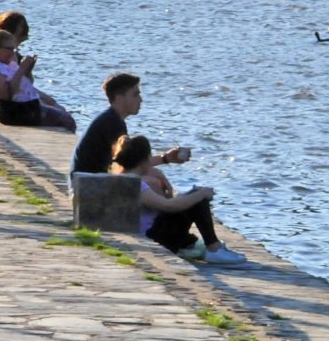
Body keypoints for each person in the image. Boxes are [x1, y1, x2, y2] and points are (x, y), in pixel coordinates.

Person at [112, 134, 247, 264]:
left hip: (149, 232)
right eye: (149, 155)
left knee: (193, 195)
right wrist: (201, 194)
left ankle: (213, 247)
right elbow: (168, 206)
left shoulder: (122, 178)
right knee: (197, 198)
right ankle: (214, 249)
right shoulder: (135, 185)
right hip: (152, 238)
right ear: (143, 159)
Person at [71, 72, 190, 177]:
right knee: (152, 180)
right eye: (135, 94)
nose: (140, 99)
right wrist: (164, 160)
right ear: (119, 98)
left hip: (85, 183)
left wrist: (166, 158)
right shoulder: (112, 123)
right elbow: (129, 168)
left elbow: (130, 164)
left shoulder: (112, 119)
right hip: (88, 187)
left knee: (152, 177)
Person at [0, 30, 76, 131]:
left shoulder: (8, 64)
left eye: (14, 49)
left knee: (64, 113)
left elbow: (25, 85)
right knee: (67, 121)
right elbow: (8, 97)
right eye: (9, 49)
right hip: (16, 112)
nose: (12, 53)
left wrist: (27, 70)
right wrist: (21, 69)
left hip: (28, 107)